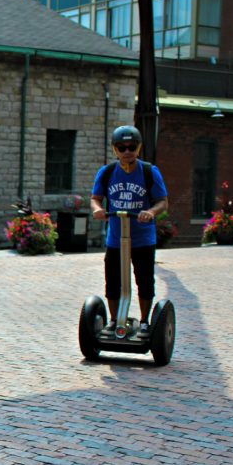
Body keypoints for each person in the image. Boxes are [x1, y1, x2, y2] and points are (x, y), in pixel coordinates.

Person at [90, 125, 169, 335]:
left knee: (144, 279)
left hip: (143, 238)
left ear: (139, 147)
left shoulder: (149, 171)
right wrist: (98, 210)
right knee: (113, 279)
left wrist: (151, 212)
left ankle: (144, 321)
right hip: (116, 238)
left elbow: (162, 202)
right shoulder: (106, 173)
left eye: (132, 147)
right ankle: (114, 320)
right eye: (122, 147)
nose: (127, 151)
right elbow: (95, 198)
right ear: (115, 149)